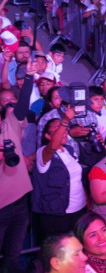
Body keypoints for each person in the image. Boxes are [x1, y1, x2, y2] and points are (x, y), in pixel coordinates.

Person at [33, 106, 88, 240]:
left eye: (64, 129)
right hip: (57, 214)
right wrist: (64, 122)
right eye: (57, 130)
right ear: (47, 135)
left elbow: (76, 179)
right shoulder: (43, 153)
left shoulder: (69, 149)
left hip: (79, 209)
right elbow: (52, 146)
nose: (63, 132)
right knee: (61, 252)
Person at [0, 59, 33, 272]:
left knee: (12, 258)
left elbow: (21, 109)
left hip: (20, 203)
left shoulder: (9, 124)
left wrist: (29, 78)